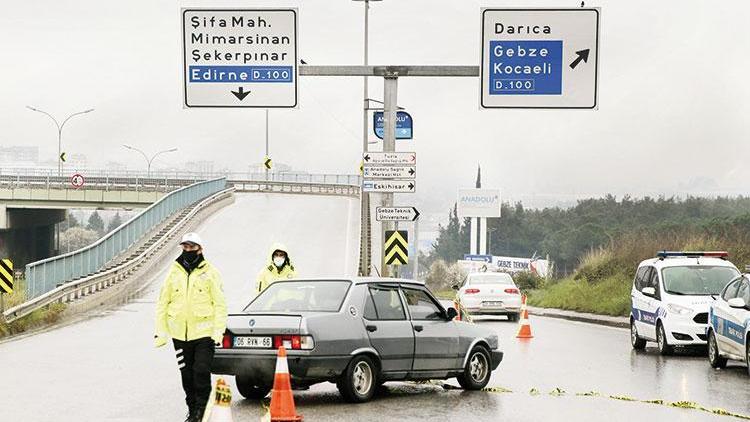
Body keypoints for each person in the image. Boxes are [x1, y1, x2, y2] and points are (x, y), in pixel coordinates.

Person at [154, 232, 227, 422]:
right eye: (185, 247)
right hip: (180, 335)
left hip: (204, 335)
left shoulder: (211, 273)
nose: (188, 251)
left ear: (200, 249)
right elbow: (163, 303)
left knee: (201, 372)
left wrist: (217, 333)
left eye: (191, 247)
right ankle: (192, 409)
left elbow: (220, 305)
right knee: (187, 376)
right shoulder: (173, 273)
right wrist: (160, 333)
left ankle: (201, 411)